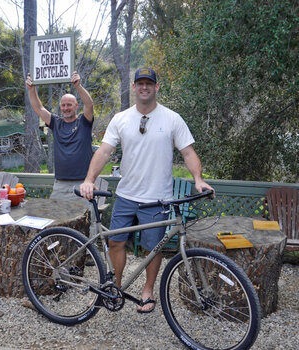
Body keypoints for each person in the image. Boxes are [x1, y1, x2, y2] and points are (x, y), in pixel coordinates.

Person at [80, 67, 214, 313]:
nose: (144, 87)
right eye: (139, 83)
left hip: (158, 200)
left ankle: (148, 290)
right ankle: (116, 287)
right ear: (133, 87)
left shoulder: (172, 119)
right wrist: (89, 179)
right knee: (116, 243)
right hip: (126, 195)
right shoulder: (120, 119)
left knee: (153, 249)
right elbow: (104, 151)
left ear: (156, 87)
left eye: (149, 83)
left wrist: (198, 179)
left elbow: (188, 152)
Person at [26, 71, 95, 234]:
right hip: (60, 185)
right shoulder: (56, 123)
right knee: (56, 224)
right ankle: (61, 257)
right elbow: (38, 107)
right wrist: (31, 88)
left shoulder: (84, 122)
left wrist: (78, 86)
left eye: (69, 104)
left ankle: (90, 258)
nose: (65, 108)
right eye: (63, 105)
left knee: (87, 225)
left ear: (76, 106)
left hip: (83, 185)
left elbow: (90, 104)